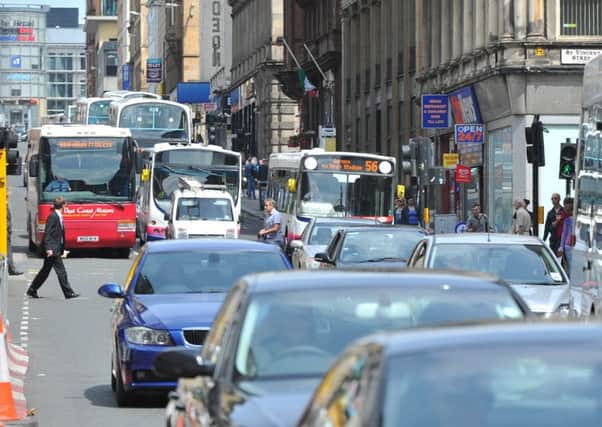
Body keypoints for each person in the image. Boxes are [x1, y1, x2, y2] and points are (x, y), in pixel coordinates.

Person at [26, 197, 79, 299]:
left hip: (55, 248)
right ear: (63, 205)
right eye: (65, 204)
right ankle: (68, 293)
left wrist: (62, 248)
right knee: (61, 271)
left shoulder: (57, 216)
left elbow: (58, 234)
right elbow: (48, 234)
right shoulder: (53, 216)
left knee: (45, 271)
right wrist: (49, 249)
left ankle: (32, 289)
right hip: (52, 249)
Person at [558, 197, 574, 277]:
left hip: (571, 245)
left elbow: (564, 233)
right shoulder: (567, 219)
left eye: (569, 209)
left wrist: (561, 246)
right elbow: (564, 233)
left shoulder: (568, 219)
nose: (567, 211)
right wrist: (561, 247)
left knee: (571, 266)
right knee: (570, 266)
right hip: (569, 246)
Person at [7, 208, 23, 275]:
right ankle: (11, 269)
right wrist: (8, 228)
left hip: (6, 232)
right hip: (4, 233)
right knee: (8, 250)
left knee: (8, 250)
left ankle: (11, 268)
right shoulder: (3, 205)